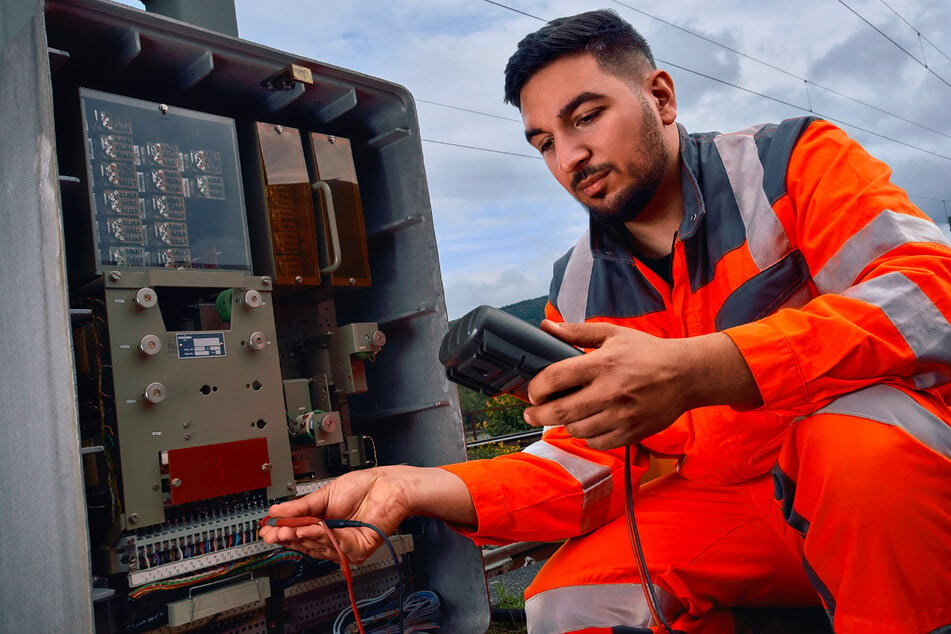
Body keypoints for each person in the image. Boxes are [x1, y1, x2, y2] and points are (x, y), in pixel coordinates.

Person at [261, 9, 951, 634]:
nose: (568, 158)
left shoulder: (790, 162)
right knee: (567, 600)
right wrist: (411, 488)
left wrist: (699, 370)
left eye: (585, 117)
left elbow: (927, 294)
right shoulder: (579, 284)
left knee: (854, 449)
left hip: (892, 494)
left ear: (660, 97)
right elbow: (580, 463)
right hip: (742, 511)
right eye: (543, 142)